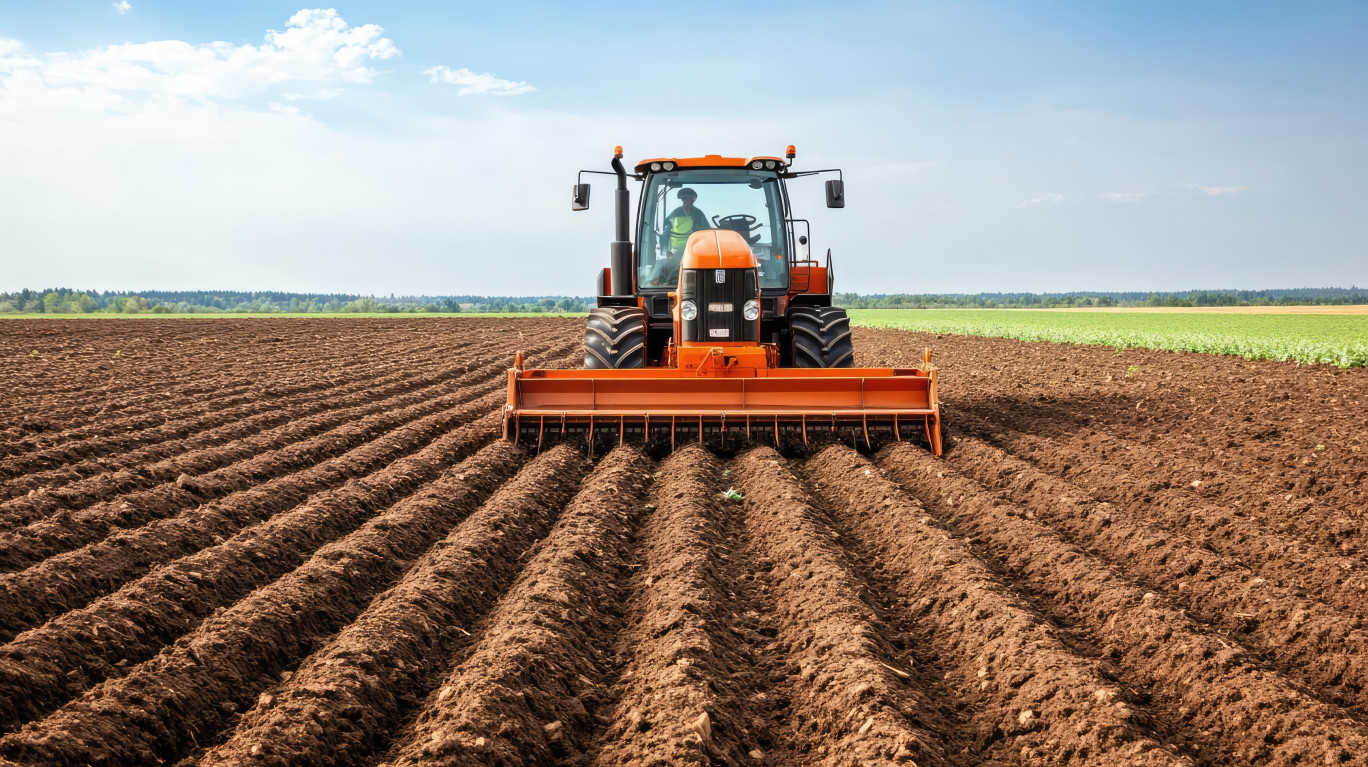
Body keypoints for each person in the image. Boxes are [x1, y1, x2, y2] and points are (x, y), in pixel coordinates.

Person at [650, 188, 709, 286]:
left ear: (693, 200)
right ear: (682, 200)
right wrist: (666, 252)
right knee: (663, 264)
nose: (686, 201)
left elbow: (707, 231)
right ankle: (659, 282)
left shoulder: (698, 214)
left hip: (693, 248)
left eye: (688, 199)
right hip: (675, 249)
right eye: (684, 199)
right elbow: (666, 233)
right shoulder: (675, 214)